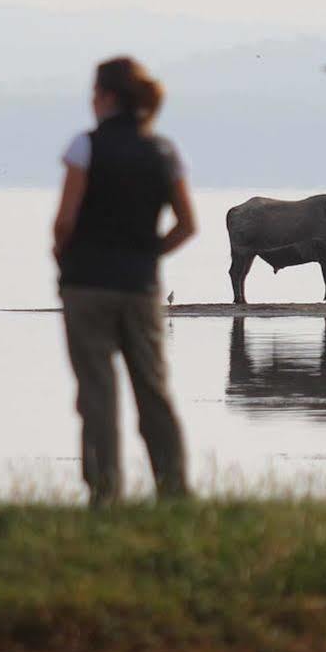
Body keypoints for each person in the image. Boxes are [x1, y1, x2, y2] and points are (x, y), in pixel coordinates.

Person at [53, 56, 198, 505]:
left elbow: (64, 222)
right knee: (153, 389)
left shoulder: (85, 147)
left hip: (88, 285)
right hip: (140, 287)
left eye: (95, 94)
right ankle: (173, 489)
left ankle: (104, 493)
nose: (91, 102)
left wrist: (66, 262)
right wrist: (149, 254)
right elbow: (187, 224)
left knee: (97, 394)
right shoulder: (164, 152)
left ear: (108, 97)